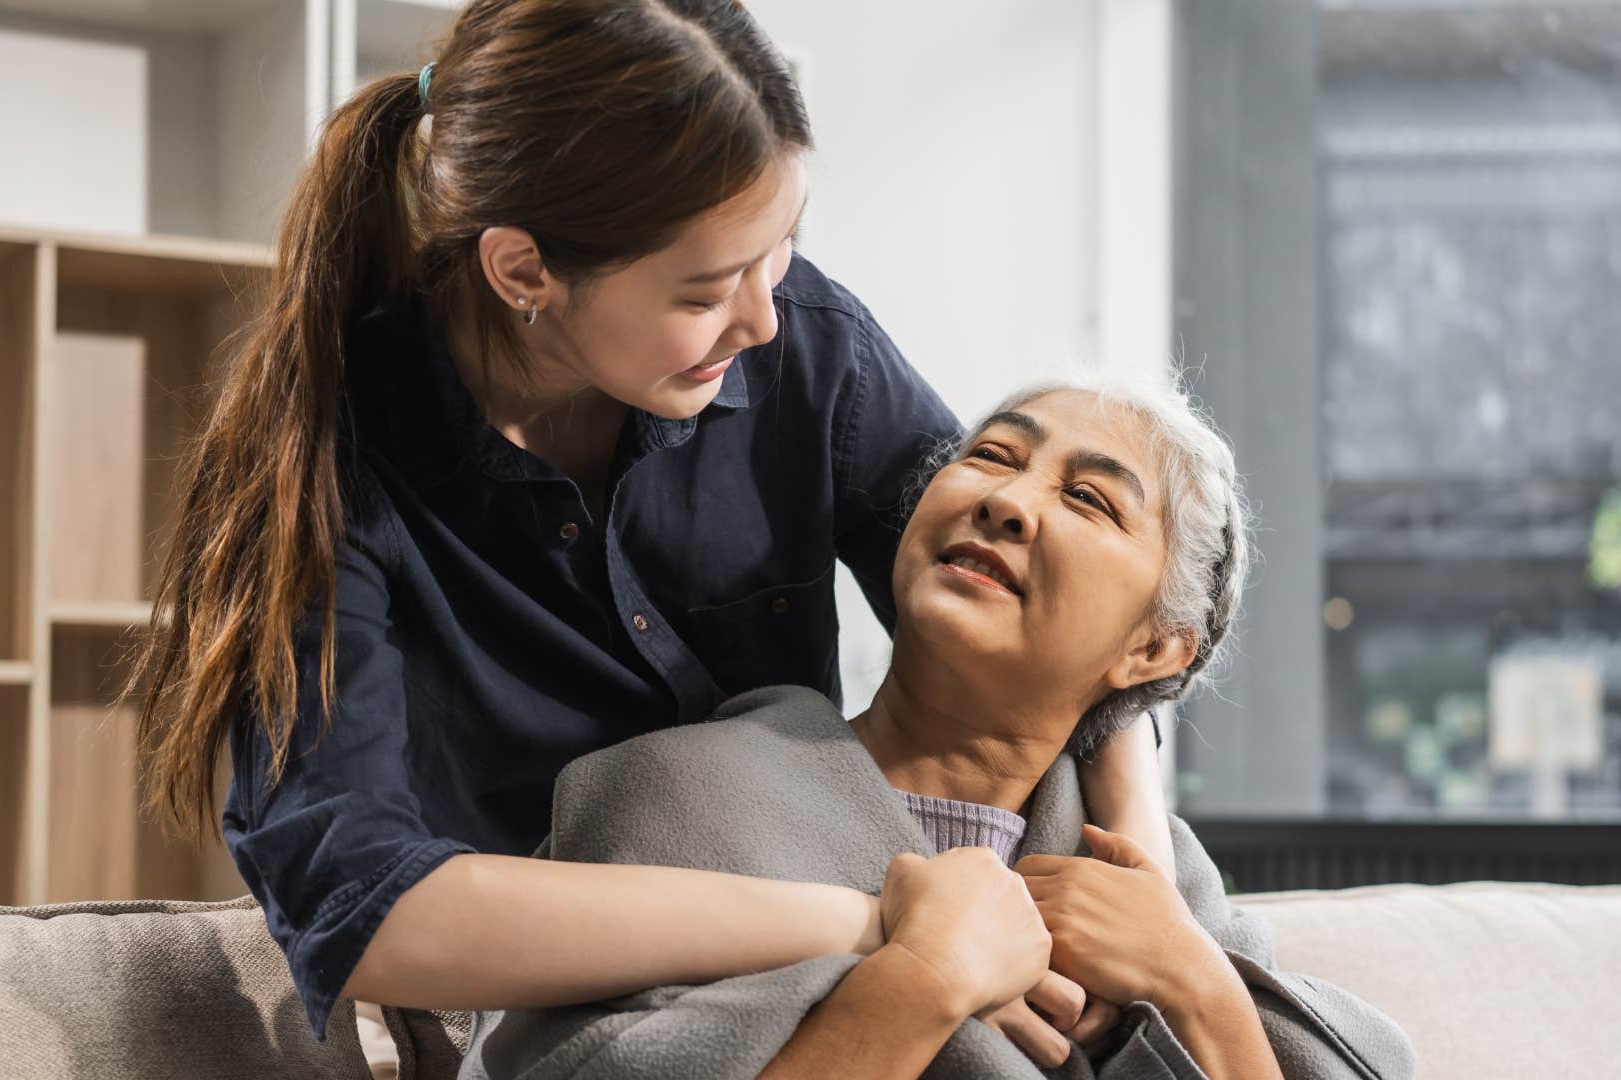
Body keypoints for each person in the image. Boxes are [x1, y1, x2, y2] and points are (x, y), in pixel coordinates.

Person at [124, 0, 1174, 1048]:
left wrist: (1143, 876)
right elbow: (365, 906)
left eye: (782, 251)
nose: (764, 316)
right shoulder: (326, 463)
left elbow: (1047, 625)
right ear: (523, 271)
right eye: (710, 288)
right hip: (568, 1024)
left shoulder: (809, 351)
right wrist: (872, 929)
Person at [460, 375, 1419, 1080]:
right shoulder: (671, 796)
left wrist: (1194, 984)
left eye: (1088, 498)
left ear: (1155, 652)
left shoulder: (1163, 893)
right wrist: (922, 980)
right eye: (991, 456)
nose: (1005, 499)